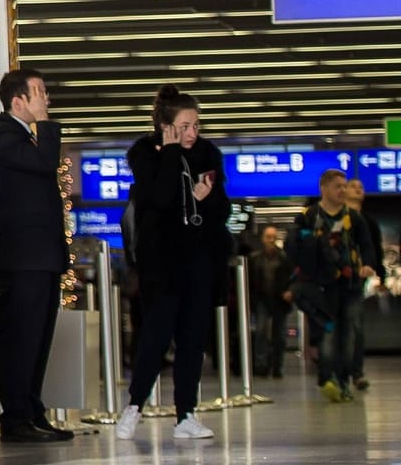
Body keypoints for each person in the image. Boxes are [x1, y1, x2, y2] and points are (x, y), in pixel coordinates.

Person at [114, 86, 230, 441]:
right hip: (161, 263)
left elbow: (224, 209)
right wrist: (172, 153)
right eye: (185, 126)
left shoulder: (209, 154)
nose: (193, 133)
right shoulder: (145, 154)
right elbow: (159, 198)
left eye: (196, 125)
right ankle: (134, 406)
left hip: (199, 259)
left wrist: (205, 199)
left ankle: (186, 413)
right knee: (156, 335)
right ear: (167, 126)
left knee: (193, 338)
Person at [0, 68, 74, 444]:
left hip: (41, 256)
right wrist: (47, 125)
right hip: (24, 258)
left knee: (38, 338)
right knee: (21, 338)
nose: (46, 99)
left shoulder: (21, 139)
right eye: (39, 92)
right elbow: (46, 163)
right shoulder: (4, 137)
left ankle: (32, 409)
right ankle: (16, 415)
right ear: (17, 100)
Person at [290, 168, 377, 403]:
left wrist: (368, 265)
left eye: (344, 185)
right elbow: (294, 247)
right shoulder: (308, 216)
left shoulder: (354, 218)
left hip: (350, 285)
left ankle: (344, 379)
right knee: (328, 333)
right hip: (321, 286)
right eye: (337, 186)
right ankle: (329, 378)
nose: (342, 190)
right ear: (324, 189)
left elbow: (367, 246)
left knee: (348, 334)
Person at [342, 179, 383, 391]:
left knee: (355, 325)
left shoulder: (368, 222)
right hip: (334, 279)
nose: (358, 189)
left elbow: (375, 249)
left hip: (356, 280)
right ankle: (334, 372)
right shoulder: (335, 218)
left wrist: (378, 274)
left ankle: (356, 373)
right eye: (353, 186)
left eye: (361, 187)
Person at [249, 226, 294, 379]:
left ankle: (277, 365)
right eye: (268, 236)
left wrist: (289, 292)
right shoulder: (255, 259)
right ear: (263, 238)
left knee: (279, 335)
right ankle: (261, 364)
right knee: (261, 331)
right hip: (262, 298)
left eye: (273, 237)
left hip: (279, 300)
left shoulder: (285, 259)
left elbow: (291, 278)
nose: (271, 240)